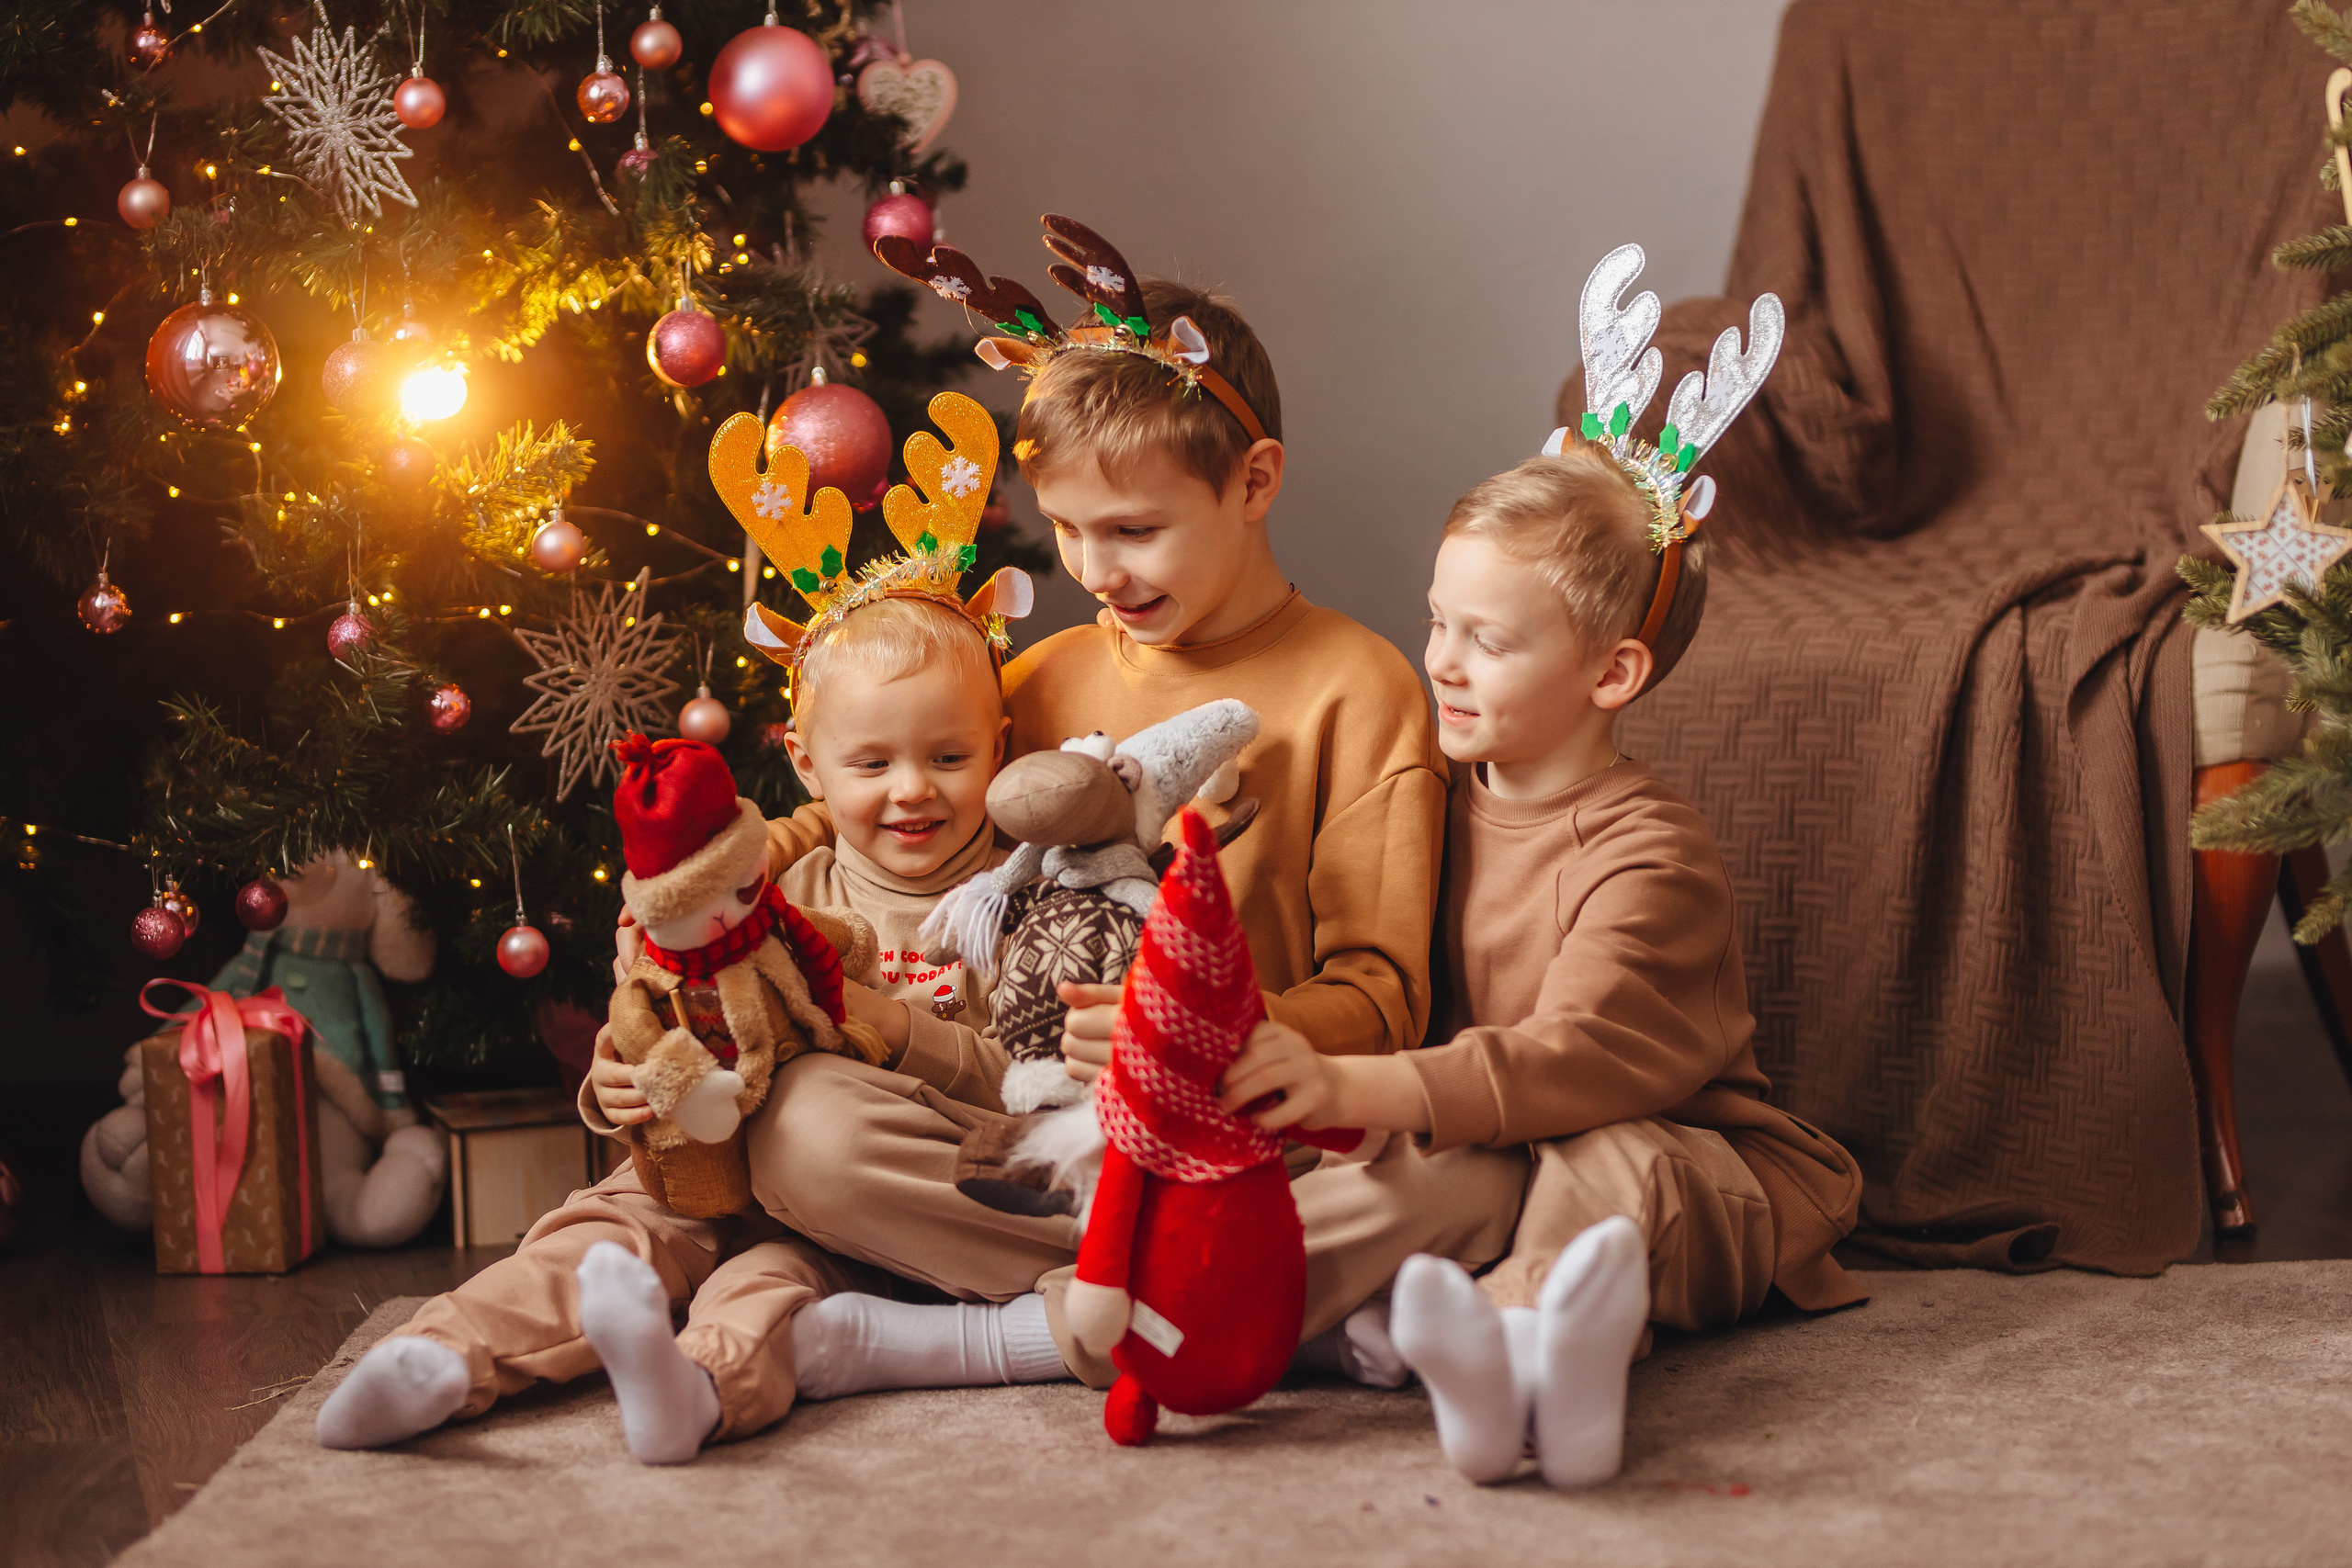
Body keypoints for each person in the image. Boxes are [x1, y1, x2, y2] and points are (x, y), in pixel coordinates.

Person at [730, 220, 1487, 1392]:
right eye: (1070, 531)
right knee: (799, 1134)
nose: (1096, 572)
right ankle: (1214, 1300)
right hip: (1017, 1115)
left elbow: (1384, 998)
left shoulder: (1361, 688)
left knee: (1451, 1183)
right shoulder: (1038, 679)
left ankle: (1016, 1330)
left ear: (1255, 481)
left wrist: (1199, 1033)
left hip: (1235, 1129)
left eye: (1135, 532)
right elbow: (866, 813)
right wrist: (721, 869)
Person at [1217, 444, 1867, 1490]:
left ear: (1609, 674)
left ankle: (1530, 1362)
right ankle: (1152, 1311)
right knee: (1390, 1170)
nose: (1440, 661)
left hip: (1683, 1165)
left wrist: (1350, 1083)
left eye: (1487, 640)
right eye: (1437, 621)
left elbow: (1565, 1062)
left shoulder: (1652, 854)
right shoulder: (1425, 796)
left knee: (1610, 1157)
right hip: (1486, 1145)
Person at [315, 594, 1067, 1464]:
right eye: (870, 761)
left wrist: (893, 1026)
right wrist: (615, 1082)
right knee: (607, 1230)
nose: (911, 789)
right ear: (806, 762)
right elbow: (653, 1016)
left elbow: (1030, 1090)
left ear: (1000, 748)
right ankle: (441, 1353)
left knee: (768, 1284)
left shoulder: (1023, 903)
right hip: (711, 1169)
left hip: (879, 1201)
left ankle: (699, 1385)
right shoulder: (767, 893)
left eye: (949, 756)